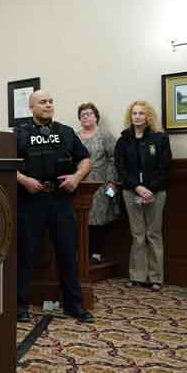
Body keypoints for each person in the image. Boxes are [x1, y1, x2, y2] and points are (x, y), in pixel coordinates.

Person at [15, 90, 94, 324]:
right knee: (26, 253)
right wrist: (24, 180)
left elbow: (85, 159)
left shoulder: (66, 132)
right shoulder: (19, 134)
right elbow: (7, 165)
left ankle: (74, 305)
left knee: (68, 252)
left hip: (61, 199)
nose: (48, 105)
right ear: (31, 108)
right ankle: (20, 306)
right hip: (31, 199)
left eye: (51, 101)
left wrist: (77, 178)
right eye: (43, 102)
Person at [114, 101, 171, 291]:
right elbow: (121, 168)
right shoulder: (124, 139)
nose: (137, 116)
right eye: (134, 113)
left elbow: (164, 168)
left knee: (153, 234)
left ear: (148, 117)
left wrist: (150, 189)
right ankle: (137, 276)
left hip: (156, 192)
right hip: (131, 192)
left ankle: (156, 277)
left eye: (141, 113)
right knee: (138, 234)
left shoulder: (160, 138)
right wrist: (137, 187)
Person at [75, 102, 120, 259]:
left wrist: (111, 181)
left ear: (96, 117)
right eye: (82, 115)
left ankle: (96, 252)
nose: (86, 117)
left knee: (99, 217)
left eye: (89, 114)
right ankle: (82, 254)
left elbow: (114, 158)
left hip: (102, 183)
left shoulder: (104, 135)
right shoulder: (75, 136)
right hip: (79, 182)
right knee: (81, 218)